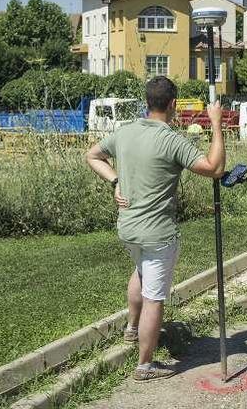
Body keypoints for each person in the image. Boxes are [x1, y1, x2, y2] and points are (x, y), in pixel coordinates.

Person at [84, 76, 226, 382]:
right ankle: (145, 365)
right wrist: (216, 123)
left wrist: (115, 180)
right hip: (158, 234)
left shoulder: (125, 132)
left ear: (147, 102)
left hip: (128, 228)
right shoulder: (172, 140)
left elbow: (92, 155)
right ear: (173, 104)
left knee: (140, 272)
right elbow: (214, 169)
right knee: (154, 298)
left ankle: (131, 329)